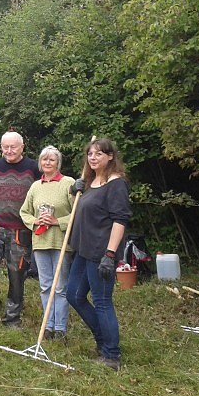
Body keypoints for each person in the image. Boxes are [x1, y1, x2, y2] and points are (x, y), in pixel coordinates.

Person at [66, 138, 131, 371]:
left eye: (99, 154)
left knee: (102, 302)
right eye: (90, 154)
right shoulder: (90, 182)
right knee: (73, 295)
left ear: (110, 157)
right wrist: (76, 191)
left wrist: (110, 254)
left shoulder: (116, 184)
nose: (93, 158)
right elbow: (82, 211)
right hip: (83, 250)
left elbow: (120, 220)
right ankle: (103, 339)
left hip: (101, 253)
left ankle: (112, 355)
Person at [0, 131, 41, 329]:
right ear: (1, 147)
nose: (9, 151)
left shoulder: (33, 168)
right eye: (5, 147)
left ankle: (13, 319)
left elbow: (42, 191)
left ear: (22, 147)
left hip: (21, 231)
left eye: (13, 147)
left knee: (17, 275)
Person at [19, 146, 75, 340]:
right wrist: (35, 222)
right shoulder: (35, 186)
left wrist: (57, 222)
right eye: (44, 160)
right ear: (40, 163)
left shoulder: (68, 183)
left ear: (58, 163)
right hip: (40, 242)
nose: (48, 163)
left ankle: (60, 328)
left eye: (52, 159)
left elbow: (78, 212)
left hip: (61, 242)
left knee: (60, 287)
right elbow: (24, 211)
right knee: (45, 285)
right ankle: (48, 326)